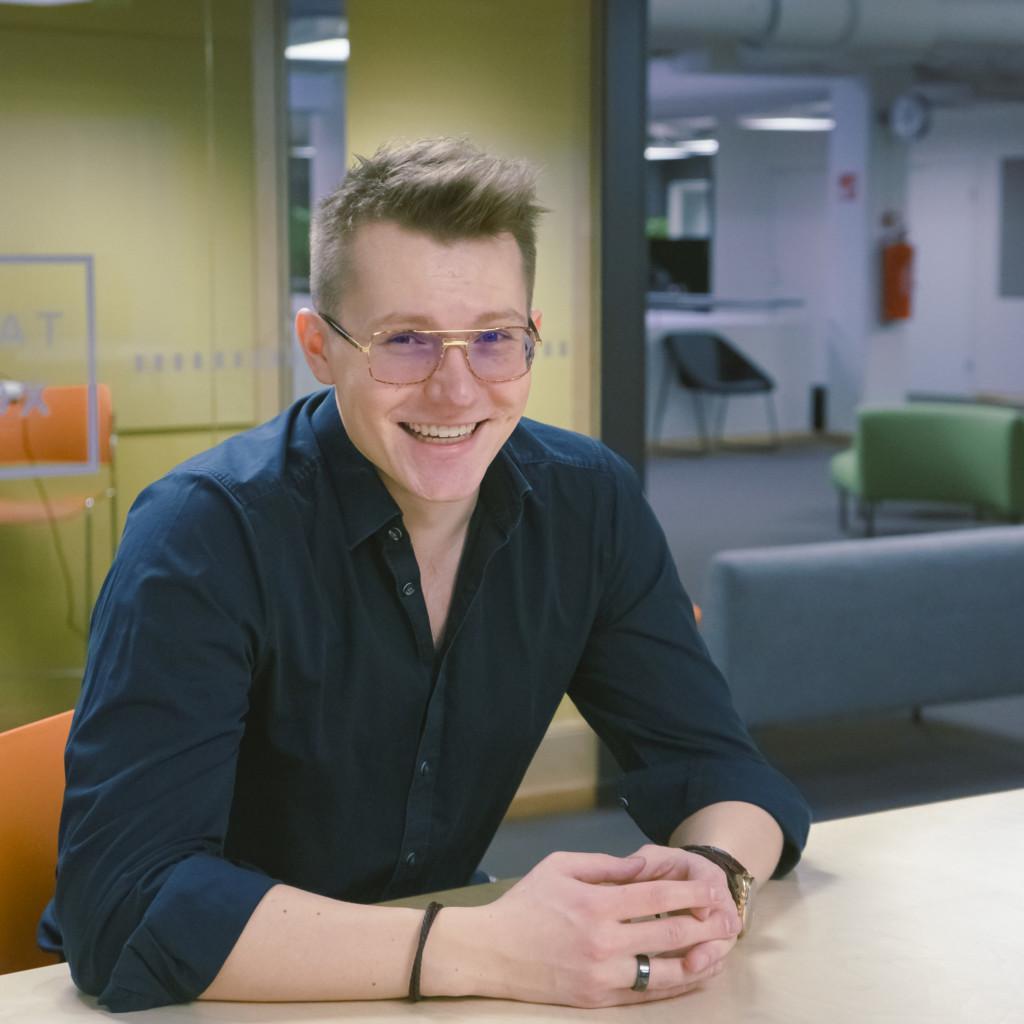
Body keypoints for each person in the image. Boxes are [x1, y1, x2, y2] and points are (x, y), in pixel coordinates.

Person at [40, 137, 810, 1012]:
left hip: (440, 981)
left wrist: (712, 879)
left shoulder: (587, 504)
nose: (457, 390)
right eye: (404, 341)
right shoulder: (205, 533)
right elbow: (127, 907)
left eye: (494, 339)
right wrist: (487, 948)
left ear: (532, 342)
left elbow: (726, 774)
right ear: (319, 348)